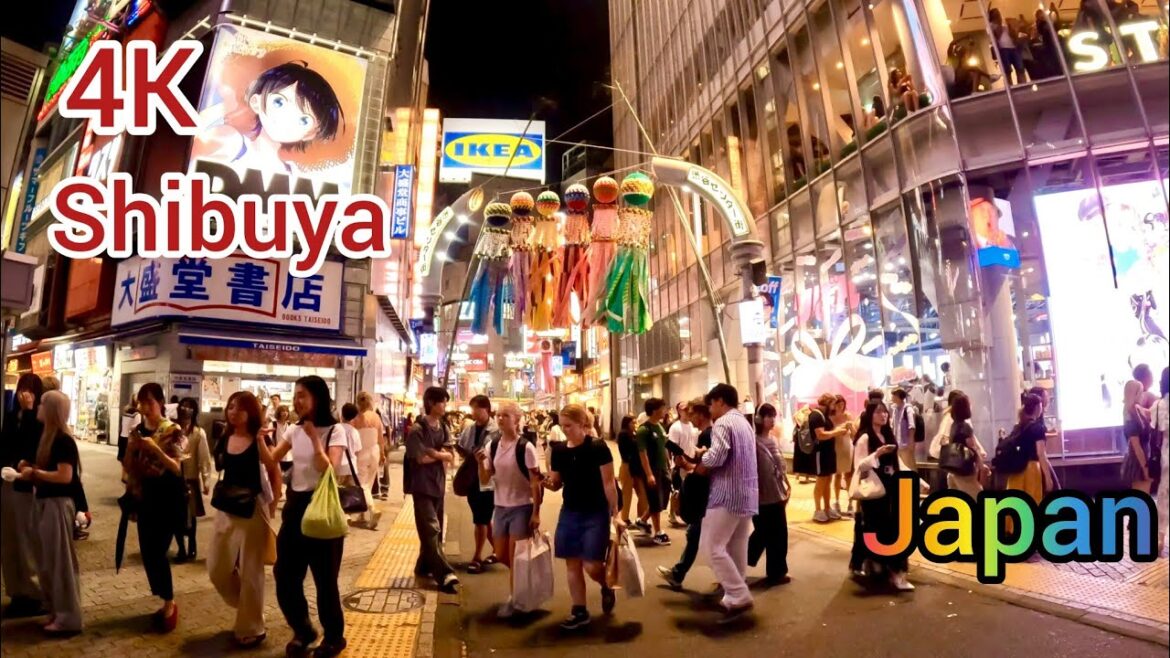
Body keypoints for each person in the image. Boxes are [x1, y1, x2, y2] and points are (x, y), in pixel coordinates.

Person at [269, 376, 350, 657]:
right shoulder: (292, 430)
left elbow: (330, 467)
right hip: (294, 508)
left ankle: (334, 637)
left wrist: (315, 437)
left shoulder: (335, 430)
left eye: (302, 395)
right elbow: (272, 459)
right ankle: (303, 630)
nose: (296, 400)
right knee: (285, 575)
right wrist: (257, 439)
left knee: (325, 579)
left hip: (322, 508)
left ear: (317, 397)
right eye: (295, 395)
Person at [207, 391, 282, 649]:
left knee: (252, 572)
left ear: (251, 412)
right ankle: (249, 606)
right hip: (227, 508)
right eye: (230, 407)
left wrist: (272, 505)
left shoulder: (260, 438)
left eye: (239, 408)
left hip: (252, 509)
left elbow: (272, 467)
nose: (233, 411)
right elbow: (218, 465)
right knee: (216, 567)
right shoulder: (225, 436)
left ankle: (252, 626)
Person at [543, 404, 621, 630]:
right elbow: (556, 483)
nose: (564, 429)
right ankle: (579, 609)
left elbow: (609, 483)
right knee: (572, 563)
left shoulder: (597, 447)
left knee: (592, 565)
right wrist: (546, 482)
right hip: (570, 510)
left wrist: (617, 515)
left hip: (596, 511)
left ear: (582, 424)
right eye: (562, 425)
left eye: (569, 425)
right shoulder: (558, 451)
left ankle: (606, 585)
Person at [16, 390, 83, 635]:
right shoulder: (49, 436)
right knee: (48, 562)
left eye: (43, 403)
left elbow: (65, 476)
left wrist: (35, 473)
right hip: (46, 503)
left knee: (59, 563)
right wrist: (30, 467)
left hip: (57, 505)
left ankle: (68, 617)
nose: (39, 407)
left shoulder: (63, 440)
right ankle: (57, 612)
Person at [124, 383, 187, 632]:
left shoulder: (173, 430)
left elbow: (177, 467)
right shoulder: (137, 430)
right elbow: (129, 466)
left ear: (161, 402)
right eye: (142, 403)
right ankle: (163, 596)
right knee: (148, 553)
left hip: (168, 499)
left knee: (158, 552)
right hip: (144, 497)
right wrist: (131, 449)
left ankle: (170, 602)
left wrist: (155, 450)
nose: (145, 408)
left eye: (150, 402)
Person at [696, 383, 758, 623]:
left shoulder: (722, 423)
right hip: (747, 492)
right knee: (736, 545)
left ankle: (738, 593)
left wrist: (703, 456)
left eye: (711, 404)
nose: (710, 409)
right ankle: (735, 592)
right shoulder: (744, 422)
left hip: (726, 493)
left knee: (711, 546)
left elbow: (718, 454)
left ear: (720, 401)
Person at [477, 401, 542, 618]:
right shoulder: (492, 445)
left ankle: (515, 599)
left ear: (517, 419)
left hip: (522, 507)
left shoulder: (526, 447)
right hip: (500, 506)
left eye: (506, 415)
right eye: (499, 414)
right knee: (501, 553)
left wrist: (536, 512)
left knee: (515, 556)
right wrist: (480, 463)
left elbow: (535, 482)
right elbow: (485, 478)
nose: (500, 418)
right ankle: (524, 584)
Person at [849, 400, 919, 591]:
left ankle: (893, 571)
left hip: (891, 487)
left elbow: (899, 463)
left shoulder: (888, 435)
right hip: (874, 489)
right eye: (879, 412)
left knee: (893, 528)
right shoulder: (864, 438)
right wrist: (877, 455)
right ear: (870, 414)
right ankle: (881, 566)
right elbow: (859, 466)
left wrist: (918, 481)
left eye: (885, 412)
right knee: (876, 527)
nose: (883, 415)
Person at [405, 387, 460, 594]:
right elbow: (421, 458)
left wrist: (435, 453)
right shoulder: (417, 430)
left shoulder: (443, 427)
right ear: (431, 403)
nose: (445, 405)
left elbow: (449, 451)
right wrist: (440, 455)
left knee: (434, 530)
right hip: (421, 486)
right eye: (442, 402)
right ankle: (444, 574)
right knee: (431, 529)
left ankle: (423, 566)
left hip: (438, 485)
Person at [1, 373, 45, 617]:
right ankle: (16, 591)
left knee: (27, 540)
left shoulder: (39, 418)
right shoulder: (10, 416)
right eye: (21, 389)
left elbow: (34, 447)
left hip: (28, 488)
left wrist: (29, 411)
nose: (23, 394)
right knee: (9, 541)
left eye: (28, 390)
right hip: (7, 484)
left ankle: (34, 594)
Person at [657, 401, 714, 590]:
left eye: (691, 413)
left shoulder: (707, 434)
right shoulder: (705, 432)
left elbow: (706, 468)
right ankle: (679, 573)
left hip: (707, 494)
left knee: (701, 535)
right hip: (708, 493)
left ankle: (732, 582)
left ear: (699, 414)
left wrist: (690, 465)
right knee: (696, 534)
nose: (690, 417)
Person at [747, 404, 790, 587]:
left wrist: (787, 484)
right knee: (763, 533)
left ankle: (777, 572)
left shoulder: (773, 440)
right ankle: (735, 560)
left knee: (780, 534)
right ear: (758, 419)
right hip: (761, 495)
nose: (771, 420)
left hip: (776, 493)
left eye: (773, 416)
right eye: (767, 416)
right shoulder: (753, 442)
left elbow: (779, 467)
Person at [458, 395, 499, 574]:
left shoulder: (496, 430)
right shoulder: (469, 429)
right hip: (472, 478)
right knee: (482, 517)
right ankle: (499, 550)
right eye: (472, 409)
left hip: (488, 479)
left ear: (486, 410)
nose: (473, 413)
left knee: (480, 520)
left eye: (477, 409)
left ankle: (477, 557)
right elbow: (462, 447)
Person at [1005, 394, 1055, 530]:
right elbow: (1041, 454)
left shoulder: (1018, 426)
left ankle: (1014, 533)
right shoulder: (1038, 428)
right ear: (1037, 407)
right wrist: (1048, 478)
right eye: (1041, 406)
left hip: (1015, 470)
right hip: (1031, 469)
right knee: (1033, 502)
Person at [174, 398, 212, 563]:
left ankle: (192, 546)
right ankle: (181, 548)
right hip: (174, 479)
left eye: (190, 407)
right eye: (183, 406)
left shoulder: (198, 433)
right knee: (175, 516)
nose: (186, 409)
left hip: (190, 479)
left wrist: (206, 480)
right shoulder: (172, 429)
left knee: (191, 515)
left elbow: (204, 458)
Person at [633, 398, 672, 546]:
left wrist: (668, 464)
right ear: (655, 410)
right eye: (663, 408)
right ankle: (658, 532)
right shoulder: (644, 430)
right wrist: (649, 474)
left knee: (661, 501)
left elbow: (665, 447)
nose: (665, 411)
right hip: (652, 470)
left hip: (662, 469)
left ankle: (642, 520)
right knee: (655, 499)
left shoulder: (660, 427)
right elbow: (643, 454)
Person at [809, 393, 851, 522]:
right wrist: (836, 432)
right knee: (821, 481)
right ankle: (817, 509)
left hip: (828, 452)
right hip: (820, 453)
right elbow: (820, 435)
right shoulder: (816, 415)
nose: (834, 407)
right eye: (832, 403)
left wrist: (837, 430)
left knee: (827, 480)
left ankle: (827, 508)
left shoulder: (824, 416)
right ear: (827, 403)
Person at [939, 393, 987, 497]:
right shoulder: (965, 427)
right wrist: (981, 465)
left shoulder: (953, 425)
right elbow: (972, 447)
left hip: (952, 470)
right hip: (964, 471)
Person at [352, 392, 384, 529]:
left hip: (361, 453)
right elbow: (381, 439)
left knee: (361, 485)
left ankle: (372, 509)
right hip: (375, 451)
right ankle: (362, 513)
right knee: (369, 483)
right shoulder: (376, 417)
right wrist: (383, 453)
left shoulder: (355, 418)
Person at [667, 401, 698, 527]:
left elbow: (693, 444)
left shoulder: (691, 426)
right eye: (685, 410)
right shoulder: (675, 427)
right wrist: (678, 462)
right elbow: (672, 446)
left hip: (691, 461)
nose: (688, 412)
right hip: (680, 463)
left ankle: (681, 511)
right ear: (679, 411)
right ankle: (673, 513)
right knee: (678, 489)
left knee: (685, 488)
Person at [1121, 380, 1153, 493]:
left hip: (1144, 457)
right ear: (1136, 394)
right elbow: (1136, 447)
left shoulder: (1137, 409)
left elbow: (1153, 412)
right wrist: (1145, 469)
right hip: (1139, 460)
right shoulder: (1129, 415)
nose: (1143, 394)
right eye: (1141, 392)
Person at [616, 415, 648, 524]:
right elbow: (629, 449)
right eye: (632, 423)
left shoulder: (633, 434)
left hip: (636, 466)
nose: (634, 425)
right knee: (627, 493)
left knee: (642, 493)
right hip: (627, 465)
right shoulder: (624, 434)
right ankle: (624, 518)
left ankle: (642, 516)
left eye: (635, 422)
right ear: (627, 423)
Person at [1151, 368, 1168, 554]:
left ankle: (1160, 539)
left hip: (1166, 454)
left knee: (1164, 496)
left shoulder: (1157, 405)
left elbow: (1155, 430)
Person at [830, 395, 855, 519]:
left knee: (848, 475)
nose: (841, 406)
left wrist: (851, 428)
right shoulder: (830, 417)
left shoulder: (848, 416)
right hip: (835, 448)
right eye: (838, 403)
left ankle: (850, 502)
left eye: (842, 403)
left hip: (847, 447)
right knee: (837, 475)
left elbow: (854, 434)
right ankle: (837, 501)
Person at [990, 9, 1027, 85]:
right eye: (996, 14)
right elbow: (997, 35)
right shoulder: (991, 25)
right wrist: (999, 23)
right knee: (1007, 71)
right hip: (1003, 49)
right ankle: (1010, 87)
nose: (998, 15)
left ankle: (1022, 85)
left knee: (1020, 68)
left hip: (1013, 47)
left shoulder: (1005, 25)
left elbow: (1013, 35)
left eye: (998, 13)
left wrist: (1011, 27)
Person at [890, 389, 917, 473]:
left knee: (908, 468)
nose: (892, 397)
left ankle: (910, 486)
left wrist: (911, 442)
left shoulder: (908, 409)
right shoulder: (895, 410)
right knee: (900, 468)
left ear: (898, 396)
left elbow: (911, 426)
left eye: (893, 395)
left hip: (906, 445)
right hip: (898, 445)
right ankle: (904, 486)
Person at [272, 404, 293, 479]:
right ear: (278, 413)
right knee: (277, 477)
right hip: (277, 454)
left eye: (286, 411)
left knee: (288, 477)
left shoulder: (290, 425)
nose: (285, 413)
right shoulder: (274, 424)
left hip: (289, 456)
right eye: (282, 411)